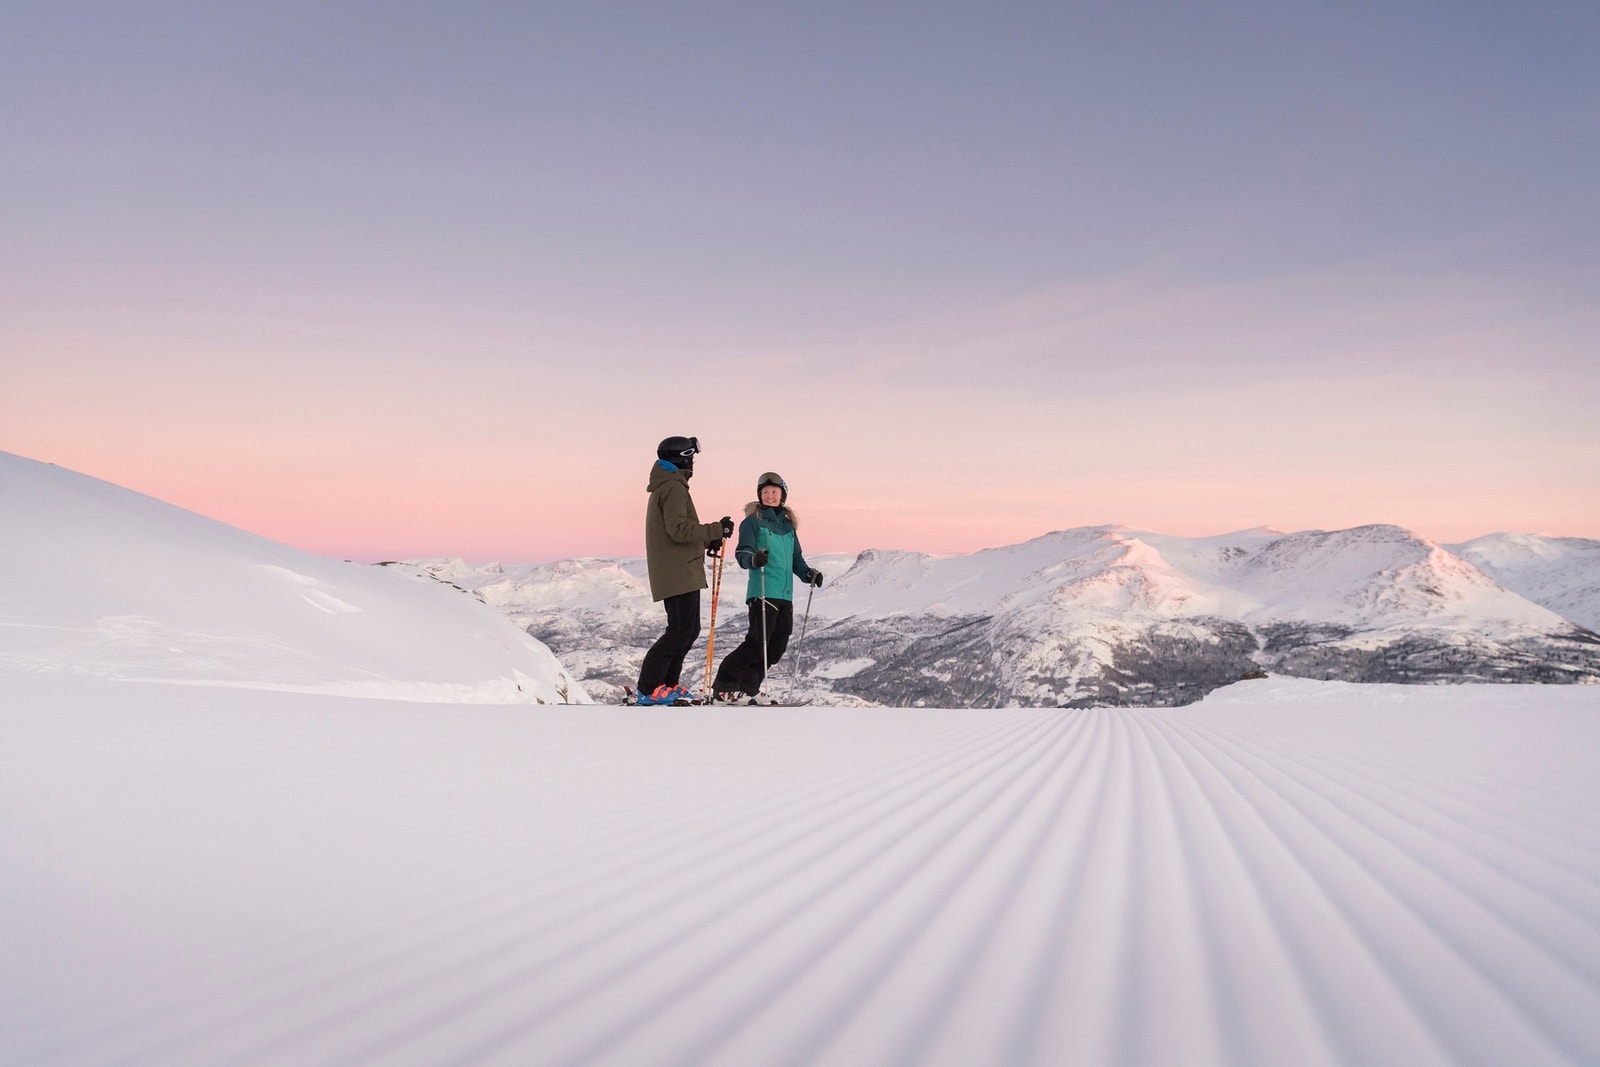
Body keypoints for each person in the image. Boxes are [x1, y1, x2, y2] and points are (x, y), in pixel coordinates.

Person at [711, 472, 823, 705]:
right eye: (765, 492)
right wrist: (754, 559)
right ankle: (724, 686)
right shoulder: (753, 521)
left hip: (784, 594)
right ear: (759, 495)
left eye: (774, 491)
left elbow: (796, 559)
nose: (770, 495)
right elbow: (742, 552)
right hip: (762, 590)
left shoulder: (788, 526)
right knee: (756, 644)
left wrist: (808, 574)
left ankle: (748, 688)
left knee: (775, 648)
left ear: (782, 495)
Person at [637, 436, 733, 706]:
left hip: (681, 569)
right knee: (679, 631)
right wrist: (716, 529)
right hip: (677, 572)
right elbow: (678, 531)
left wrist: (708, 539)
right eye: (691, 456)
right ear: (682, 457)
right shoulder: (673, 488)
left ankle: (667, 685)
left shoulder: (670, 487)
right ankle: (649, 688)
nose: (693, 462)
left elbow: (680, 531)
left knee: (688, 630)